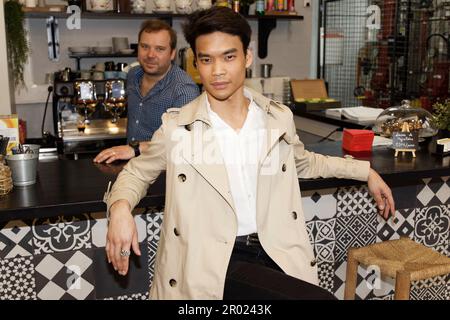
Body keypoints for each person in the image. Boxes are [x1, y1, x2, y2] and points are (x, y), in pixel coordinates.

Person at [104, 7, 395, 300]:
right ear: (197, 64)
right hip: (217, 259)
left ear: (248, 57)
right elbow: (136, 173)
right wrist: (119, 209)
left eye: (229, 57)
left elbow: (304, 162)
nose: (217, 71)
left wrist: (364, 171)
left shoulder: (275, 118)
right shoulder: (179, 127)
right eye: (207, 60)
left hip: (274, 250)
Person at [94, 19, 200, 164]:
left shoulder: (184, 90)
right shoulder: (133, 75)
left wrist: (135, 149)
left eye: (159, 49)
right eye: (145, 46)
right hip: (132, 167)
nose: (150, 55)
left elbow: (184, 143)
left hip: (166, 173)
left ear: (172, 54)